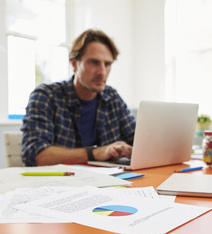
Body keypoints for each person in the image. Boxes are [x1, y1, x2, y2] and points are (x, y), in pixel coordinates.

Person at [21, 29, 136, 166]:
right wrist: (94, 153)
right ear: (75, 64)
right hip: (60, 184)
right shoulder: (46, 96)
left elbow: (137, 140)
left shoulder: (112, 98)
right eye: (94, 62)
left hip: (110, 183)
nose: (102, 72)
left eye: (107, 64)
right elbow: (35, 155)